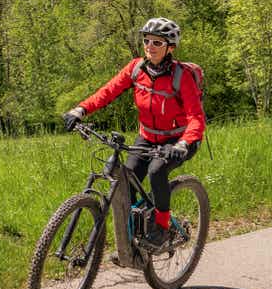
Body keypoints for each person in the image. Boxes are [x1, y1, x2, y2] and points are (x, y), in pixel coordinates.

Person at [62, 17, 205, 249]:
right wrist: (81, 109)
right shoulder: (137, 68)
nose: (150, 46)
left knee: (157, 171)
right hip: (147, 138)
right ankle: (133, 242)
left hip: (177, 141)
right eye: (147, 40)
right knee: (125, 183)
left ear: (170, 47)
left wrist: (183, 144)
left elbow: (196, 118)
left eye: (157, 42)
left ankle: (162, 227)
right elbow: (108, 91)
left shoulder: (181, 77)